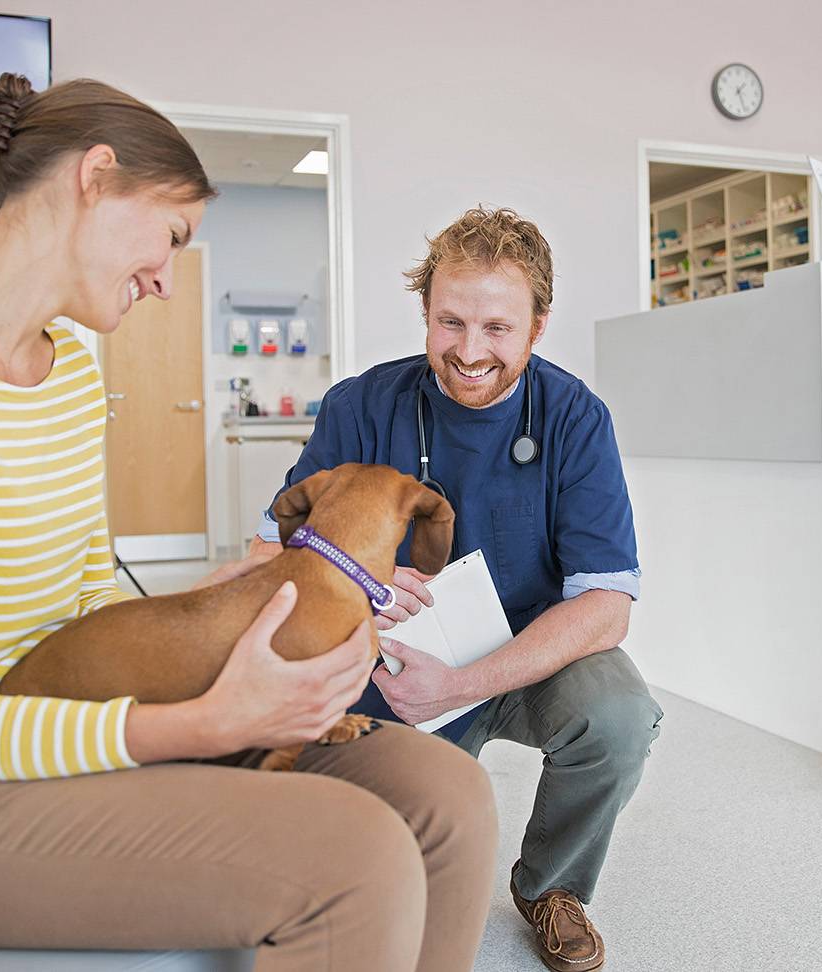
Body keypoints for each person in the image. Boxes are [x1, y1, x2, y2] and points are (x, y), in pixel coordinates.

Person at [0, 72, 495, 972]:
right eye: (173, 236)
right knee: (357, 856)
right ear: (95, 176)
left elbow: (84, 610)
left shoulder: (66, 367)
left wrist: (219, 610)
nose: (168, 282)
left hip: (53, 715)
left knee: (447, 794)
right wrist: (211, 724)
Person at [249, 207, 662, 972]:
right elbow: (269, 542)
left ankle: (551, 888)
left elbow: (607, 603)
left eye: (498, 329)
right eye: (450, 323)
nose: (469, 353)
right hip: (395, 659)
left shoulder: (575, 418)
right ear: (427, 314)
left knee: (619, 719)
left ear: (538, 327)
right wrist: (353, 577)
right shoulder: (361, 407)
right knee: (380, 865)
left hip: (529, 653)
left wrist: (464, 684)